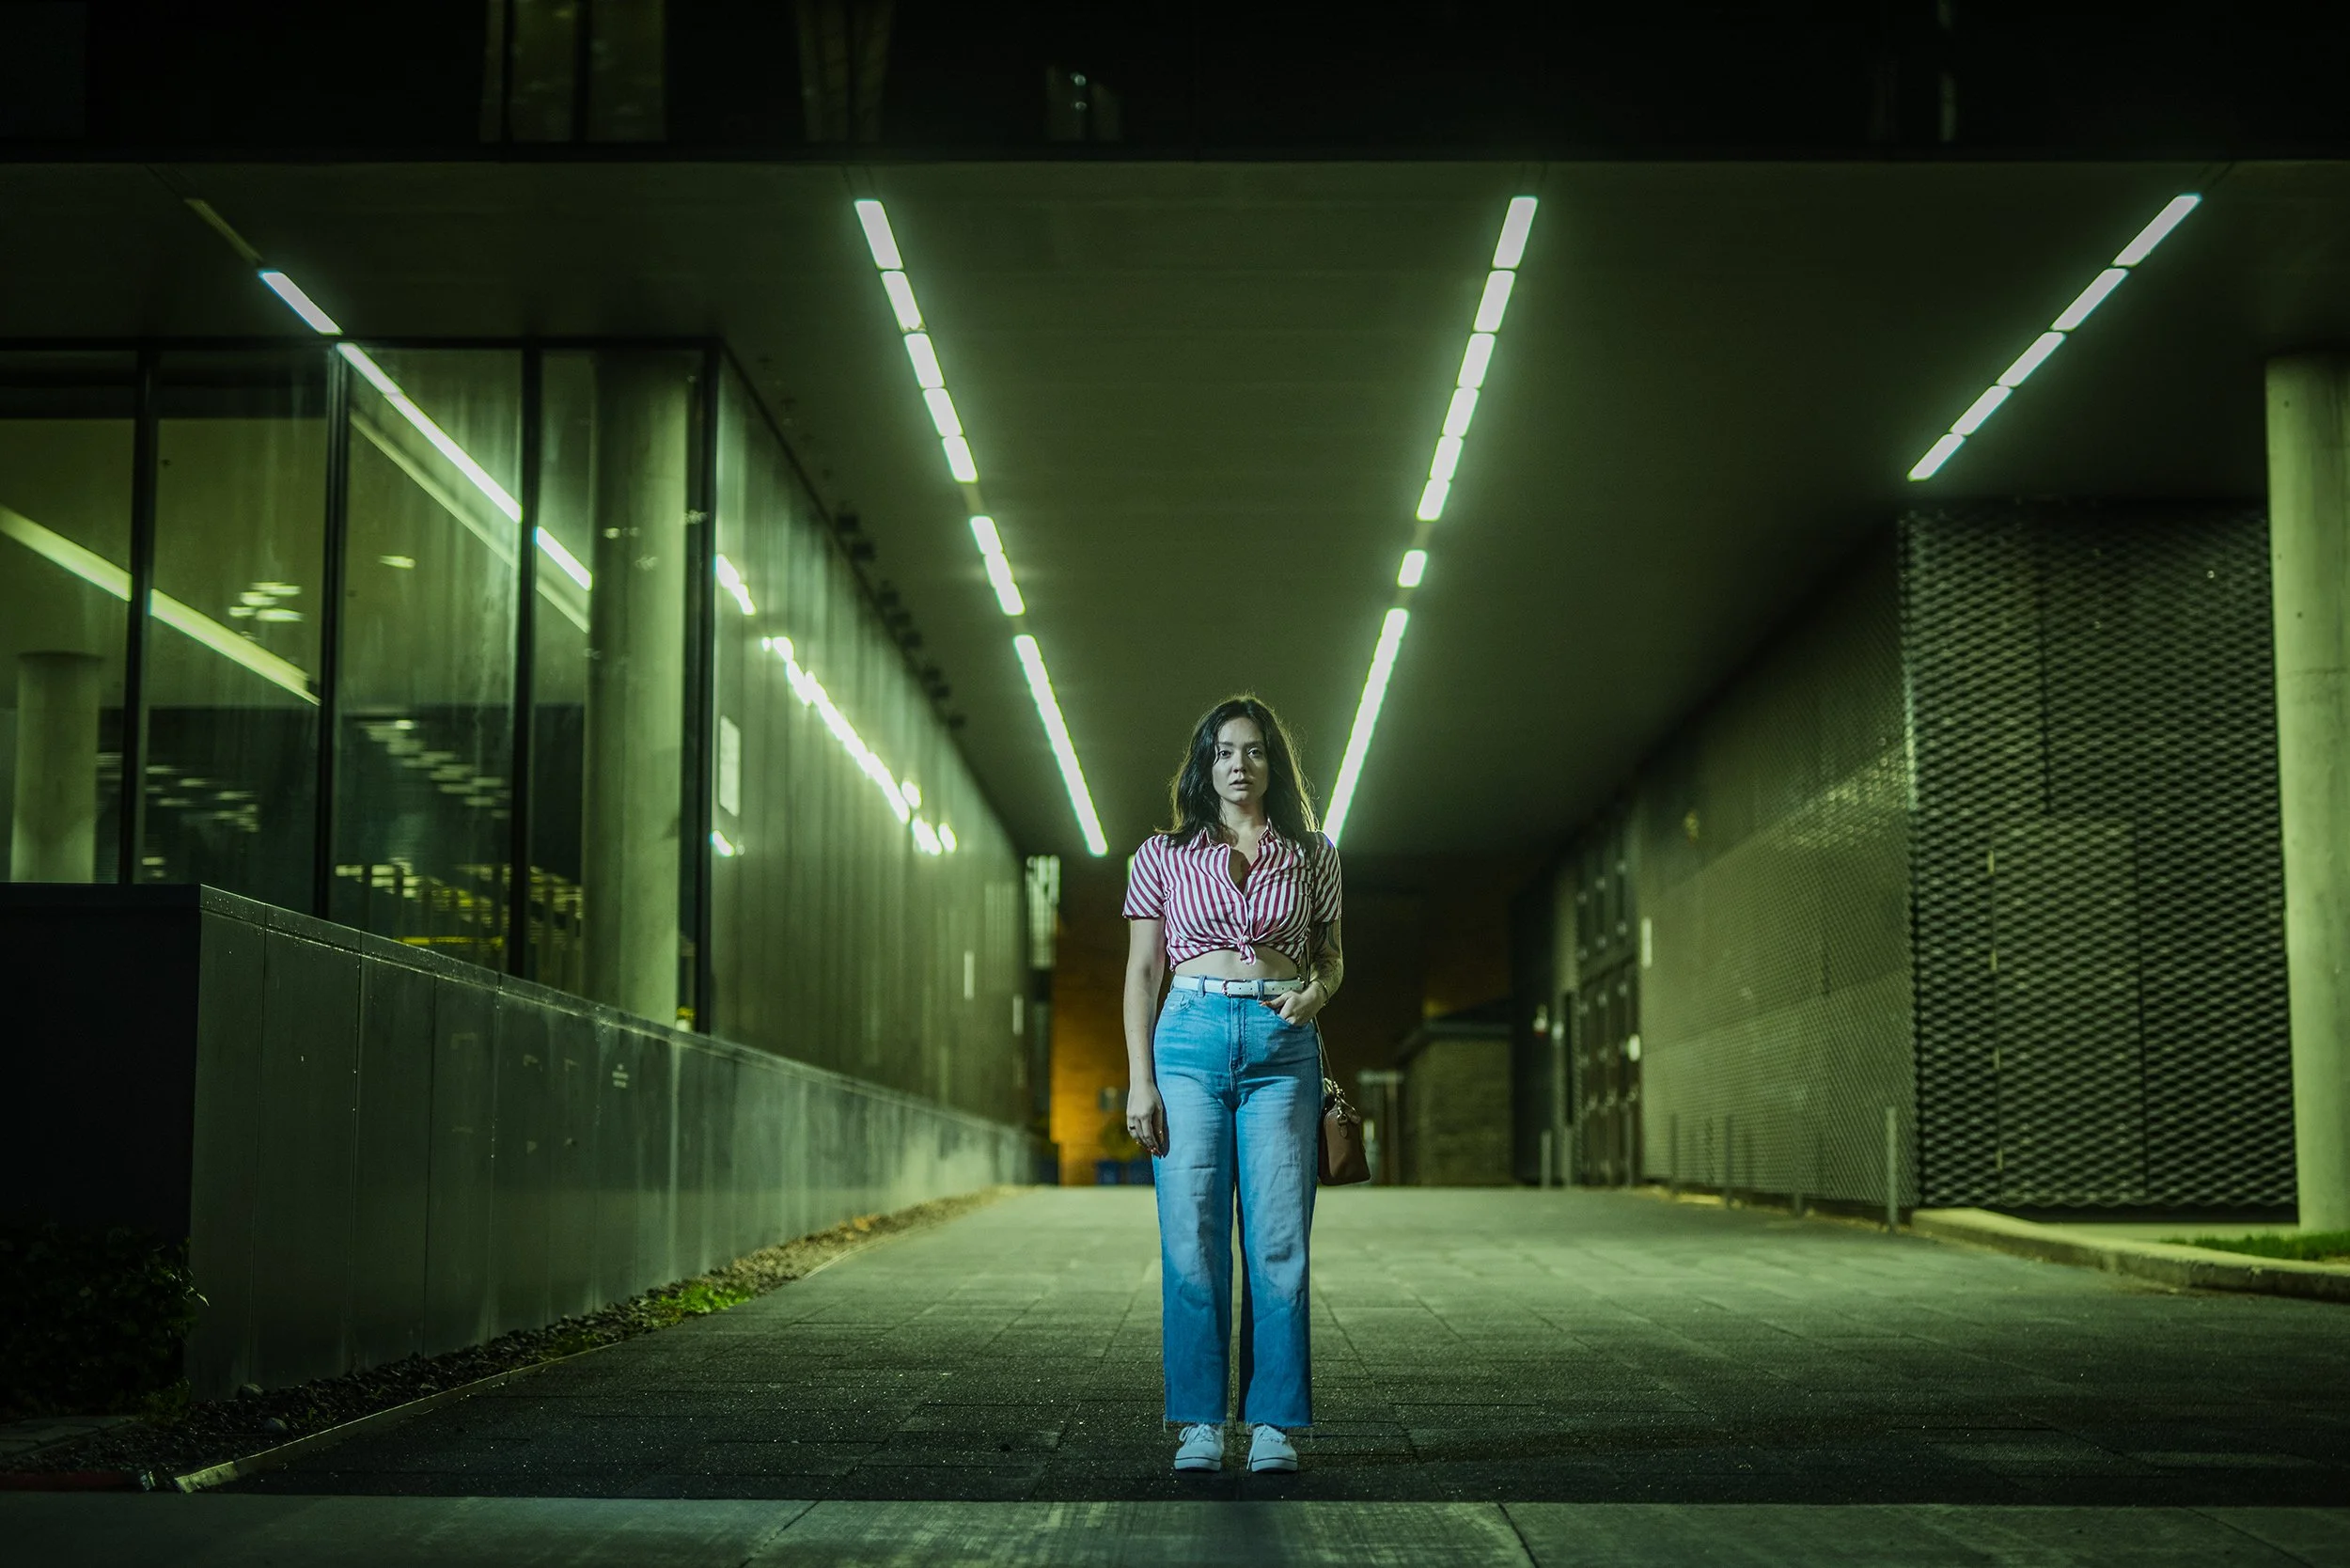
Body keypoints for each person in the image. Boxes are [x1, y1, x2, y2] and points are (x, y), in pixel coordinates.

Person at [1120, 695, 1344, 1476]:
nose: (1238, 765)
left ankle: (1274, 1424)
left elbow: (1332, 957)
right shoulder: (1161, 854)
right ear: (1204, 765)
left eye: (1252, 751)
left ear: (1272, 764)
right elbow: (1143, 971)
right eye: (1223, 752)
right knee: (1192, 1239)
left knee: (1280, 1239)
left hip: (1283, 1046)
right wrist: (1138, 1080)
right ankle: (1199, 1425)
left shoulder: (1313, 853)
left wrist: (1315, 995)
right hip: (1187, 1040)